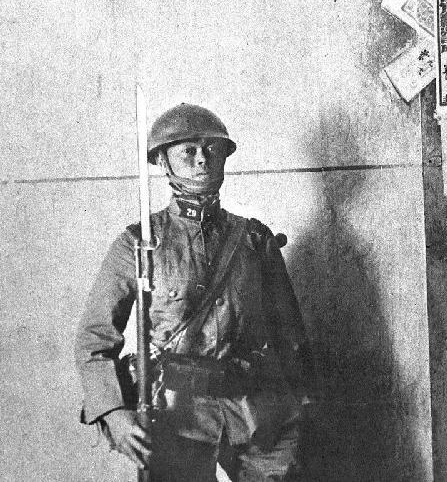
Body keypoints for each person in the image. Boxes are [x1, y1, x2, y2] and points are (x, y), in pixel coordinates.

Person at [75, 103, 317, 481]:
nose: (202, 159)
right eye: (188, 150)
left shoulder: (254, 240)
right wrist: (113, 412)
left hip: (254, 410)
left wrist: (300, 408)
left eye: (211, 149)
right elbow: (94, 338)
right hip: (178, 416)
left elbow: (291, 337)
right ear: (164, 162)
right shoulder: (139, 245)